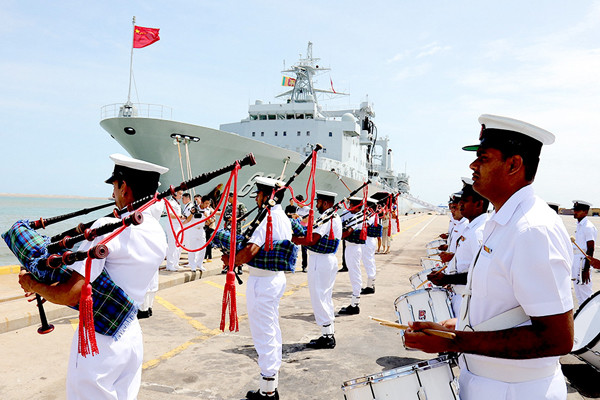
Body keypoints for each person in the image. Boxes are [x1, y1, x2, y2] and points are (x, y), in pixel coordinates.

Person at [405, 114, 574, 400]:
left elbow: (556, 338)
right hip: (491, 385)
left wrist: (454, 342)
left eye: (483, 157)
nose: (473, 165)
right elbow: (504, 305)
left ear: (513, 164)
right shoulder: (503, 222)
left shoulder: (532, 230)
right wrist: (455, 327)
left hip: (516, 392)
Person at [18, 153, 168, 399]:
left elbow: (71, 292)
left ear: (125, 187)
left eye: (115, 187)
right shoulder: (156, 232)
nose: (113, 195)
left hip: (100, 340)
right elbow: (107, 280)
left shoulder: (108, 228)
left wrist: (34, 284)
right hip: (130, 333)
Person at [221, 177, 296, 400]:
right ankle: (269, 384)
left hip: (263, 283)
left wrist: (231, 260)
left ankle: (268, 392)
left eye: (259, 194)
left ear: (268, 196)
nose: (256, 198)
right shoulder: (283, 217)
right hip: (274, 279)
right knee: (271, 331)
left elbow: (252, 250)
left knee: (263, 334)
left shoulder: (268, 218)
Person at [428, 182, 489, 316]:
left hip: (466, 299)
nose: (460, 204)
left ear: (479, 204)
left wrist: (446, 279)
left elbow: (480, 275)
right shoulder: (472, 228)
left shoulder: (479, 232)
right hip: (459, 295)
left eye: (465, 201)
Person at [292, 190, 342, 349]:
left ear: (326, 203)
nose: (316, 204)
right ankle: (328, 333)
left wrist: (294, 239)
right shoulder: (335, 216)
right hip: (326, 260)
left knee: (319, 297)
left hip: (320, 261)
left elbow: (313, 239)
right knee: (325, 297)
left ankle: (327, 337)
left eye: (318, 201)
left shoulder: (327, 217)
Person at [338, 196, 365, 315]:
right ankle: (354, 302)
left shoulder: (358, 217)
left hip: (354, 248)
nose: (349, 207)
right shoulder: (347, 213)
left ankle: (355, 304)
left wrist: (336, 236)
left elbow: (348, 232)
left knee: (355, 274)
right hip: (349, 247)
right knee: (353, 272)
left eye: (351, 205)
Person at [571, 200, 597, 305]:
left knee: (586, 293)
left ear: (585, 212)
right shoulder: (580, 225)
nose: (574, 212)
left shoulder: (588, 227)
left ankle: (592, 317)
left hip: (583, 263)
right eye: (574, 210)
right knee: (578, 293)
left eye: (577, 210)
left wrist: (586, 269)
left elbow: (590, 248)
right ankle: (582, 317)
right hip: (577, 260)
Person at [222, 192, 248, 274]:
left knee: (238, 248)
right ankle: (228, 266)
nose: (228, 199)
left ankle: (239, 266)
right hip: (229, 230)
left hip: (238, 230)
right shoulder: (228, 207)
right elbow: (225, 217)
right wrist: (231, 219)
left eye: (229, 197)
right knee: (227, 249)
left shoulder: (240, 205)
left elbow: (244, 217)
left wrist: (235, 219)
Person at [360, 198, 380, 294]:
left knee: (368, 261)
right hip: (370, 240)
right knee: (370, 261)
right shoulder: (373, 215)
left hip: (368, 240)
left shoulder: (371, 216)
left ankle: (370, 286)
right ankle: (370, 284)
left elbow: (365, 225)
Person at [165, 189, 184, 271]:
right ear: (175, 194)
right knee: (172, 245)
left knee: (178, 246)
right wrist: (180, 216)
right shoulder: (171, 202)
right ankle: (169, 264)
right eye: (179, 194)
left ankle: (175, 263)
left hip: (178, 226)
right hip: (172, 226)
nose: (181, 196)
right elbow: (171, 215)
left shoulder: (176, 202)